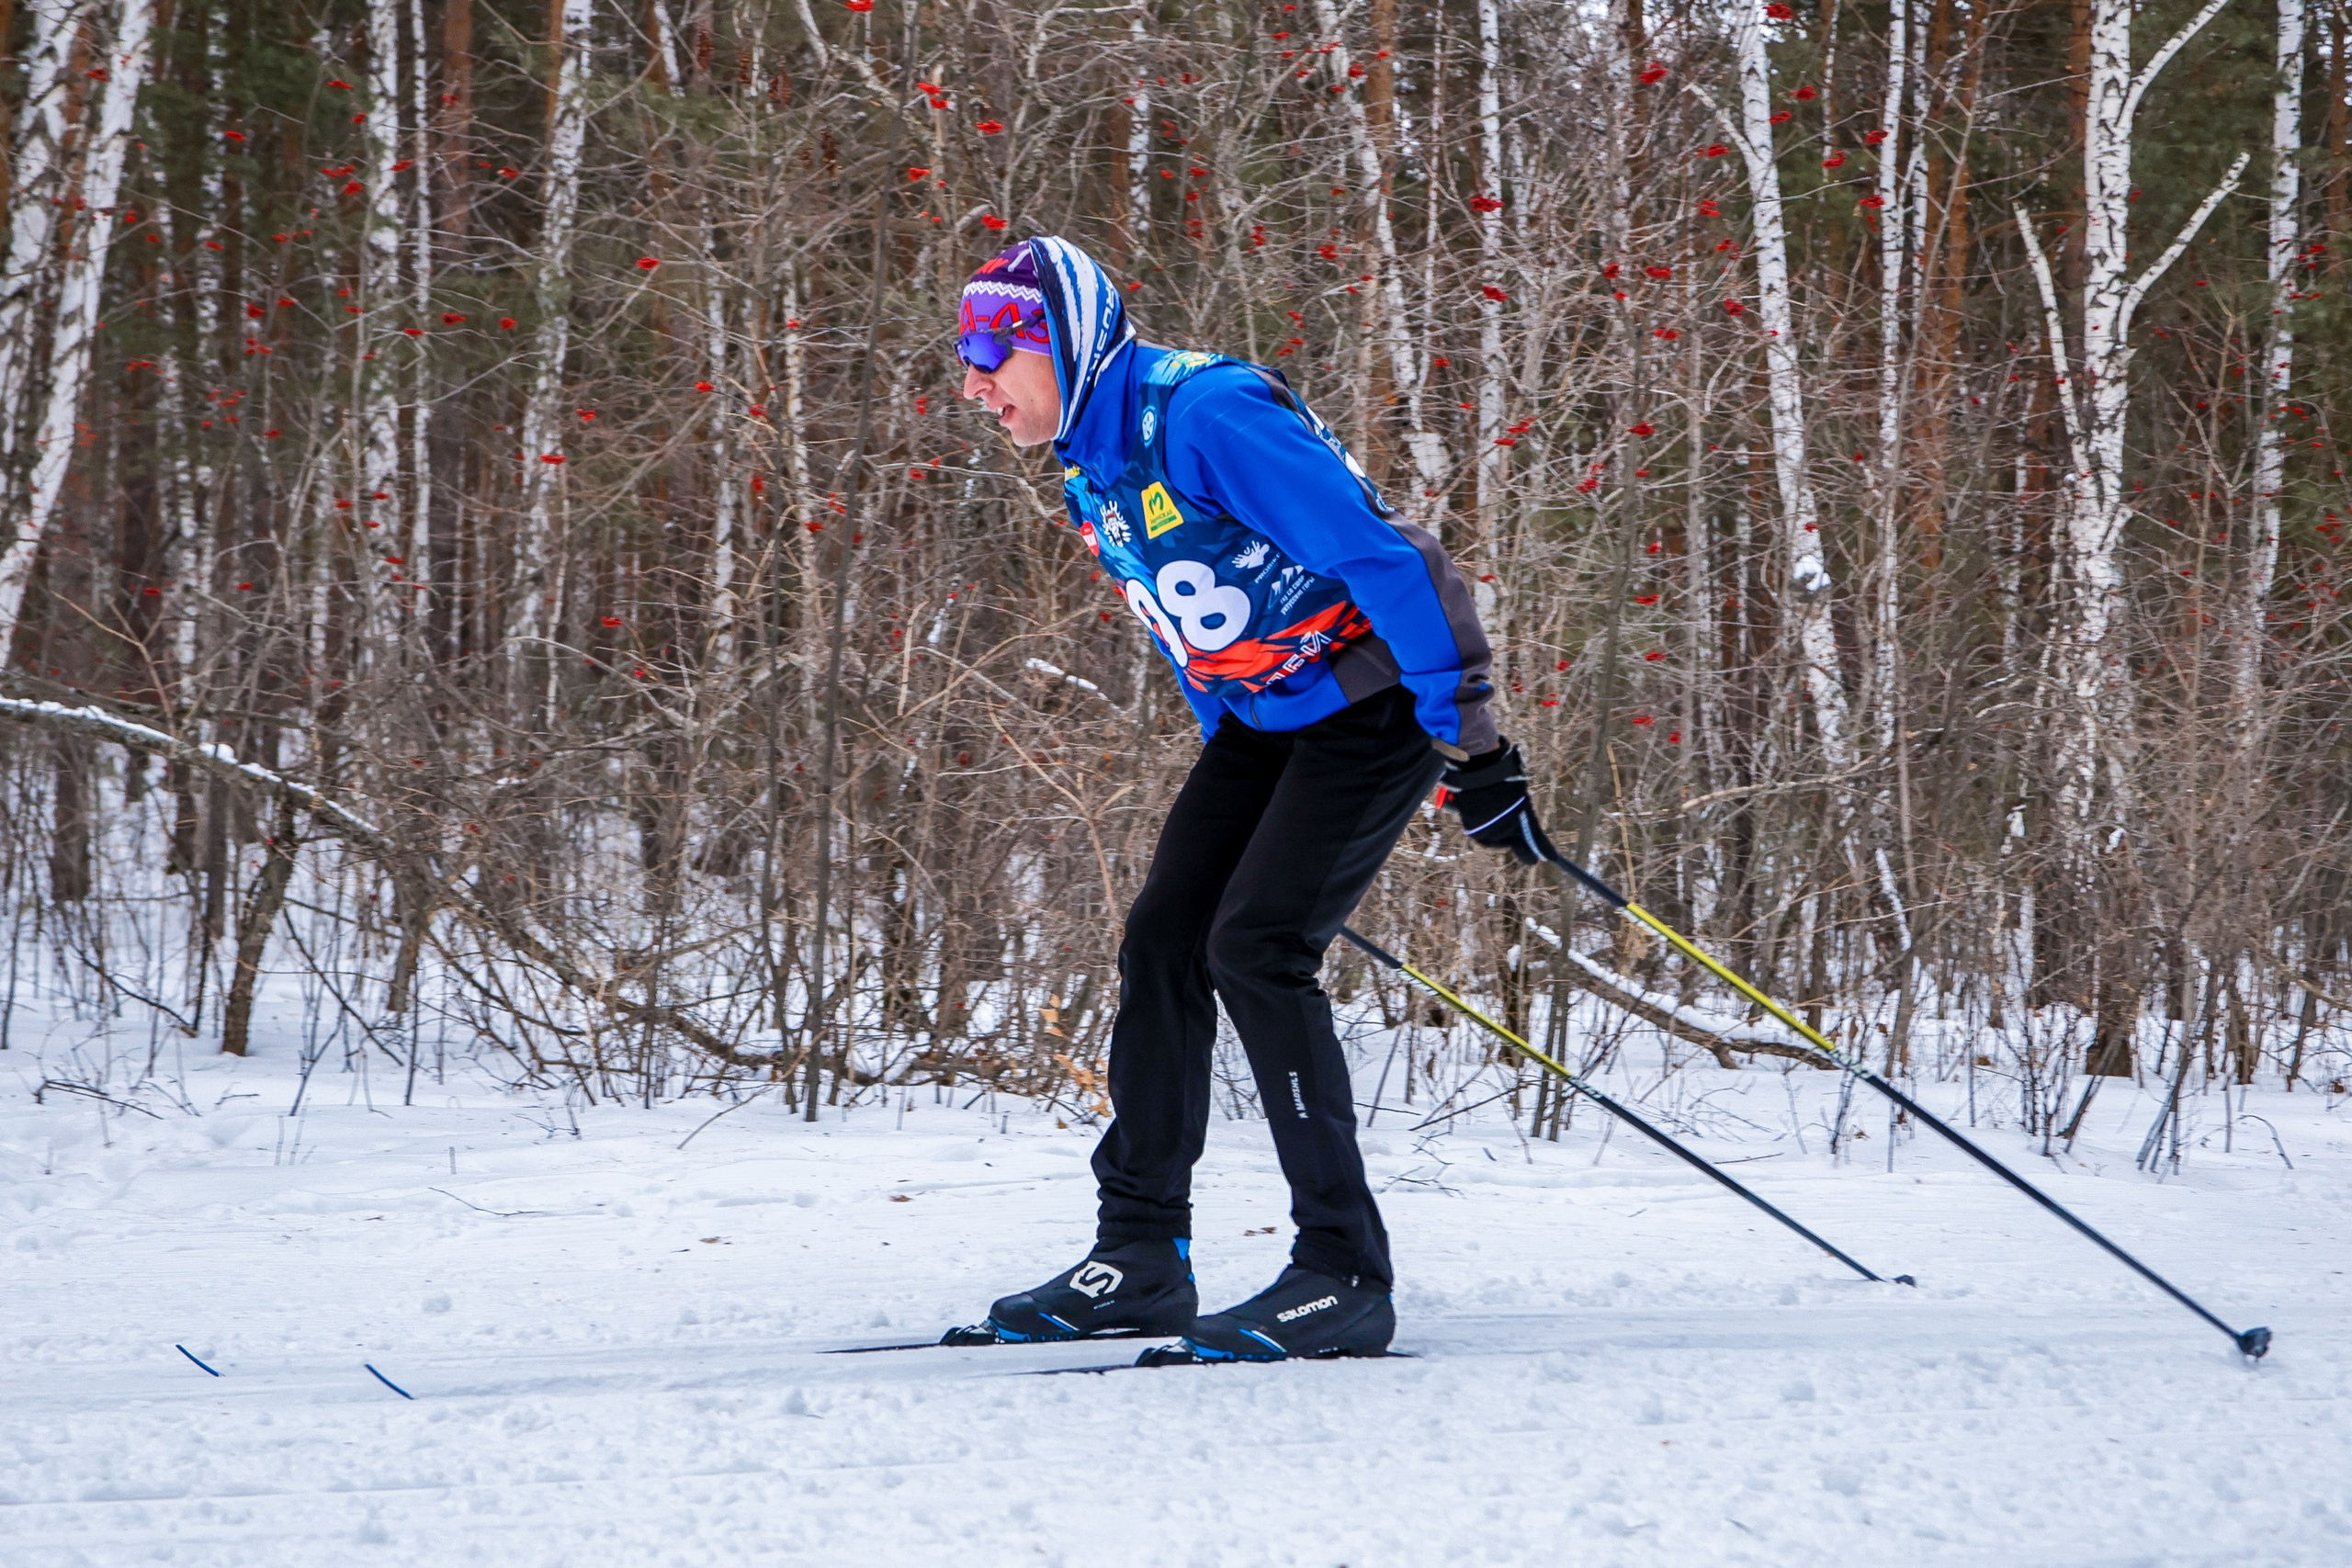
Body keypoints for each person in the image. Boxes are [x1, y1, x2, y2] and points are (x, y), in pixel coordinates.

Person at [950, 236, 1556, 1361]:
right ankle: (1138, 1255)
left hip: (1371, 702)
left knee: (1256, 948)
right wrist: (1230, 756)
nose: (973, 381)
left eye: (993, 349)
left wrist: (1472, 746)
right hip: (1264, 723)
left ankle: (1342, 1274)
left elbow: (1390, 559)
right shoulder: (1092, 453)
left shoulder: (1205, 413)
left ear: (1064, 339)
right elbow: (1190, 622)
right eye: (963, 355)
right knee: (1166, 940)